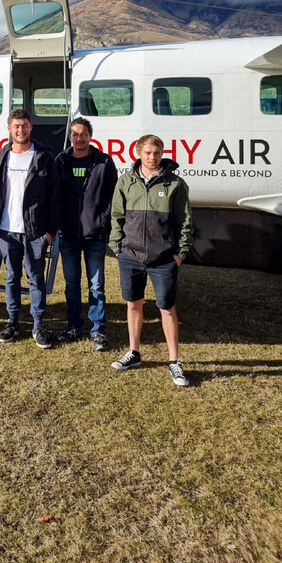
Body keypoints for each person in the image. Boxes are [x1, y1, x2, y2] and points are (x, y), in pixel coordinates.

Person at [109, 134, 194, 387]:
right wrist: (117, 248)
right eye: (147, 153)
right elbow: (116, 216)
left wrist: (179, 253)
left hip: (164, 259)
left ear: (161, 153)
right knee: (133, 304)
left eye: (156, 153)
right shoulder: (126, 181)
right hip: (130, 256)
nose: (152, 157)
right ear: (138, 154)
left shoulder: (176, 184)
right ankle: (134, 353)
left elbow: (185, 221)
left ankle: (174, 362)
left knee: (167, 308)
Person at [0, 109, 59, 349]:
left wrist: (49, 231)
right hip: (8, 231)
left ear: (31, 128)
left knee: (36, 278)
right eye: (16, 126)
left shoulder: (43, 157)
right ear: (9, 128)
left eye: (25, 125)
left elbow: (54, 196)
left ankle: (38, 324)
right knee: (11, 277)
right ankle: (12, 321)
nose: (21, 130)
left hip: (35, 231)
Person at [56, 117, 118, 351]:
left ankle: (98, 330)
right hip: (69, 235)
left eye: (83, 134)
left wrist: (102, 221)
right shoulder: (61, 161)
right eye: (75, 134)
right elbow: (55, 196)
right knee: (72, 284)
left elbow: (113, 197)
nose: (79, 138)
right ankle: (73, 325)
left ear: (90, 136)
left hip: (95, 235)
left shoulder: (103, 162)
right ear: (70, 136)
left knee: (96, 286)